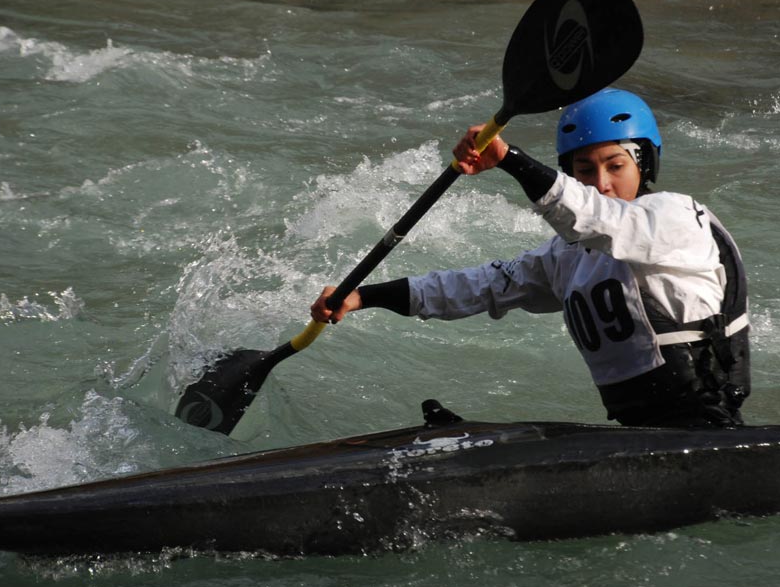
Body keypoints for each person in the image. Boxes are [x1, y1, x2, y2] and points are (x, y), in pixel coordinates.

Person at [311, 88, 750, 428]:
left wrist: (508, 159)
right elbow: (482, 286)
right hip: (640, 431)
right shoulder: (569, 255)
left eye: (616, 166)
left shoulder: (675, 217)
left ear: (644, 164)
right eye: (584, 170)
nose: (601, 183)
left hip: (708, 424)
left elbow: (594, 217)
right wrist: (362, 297)